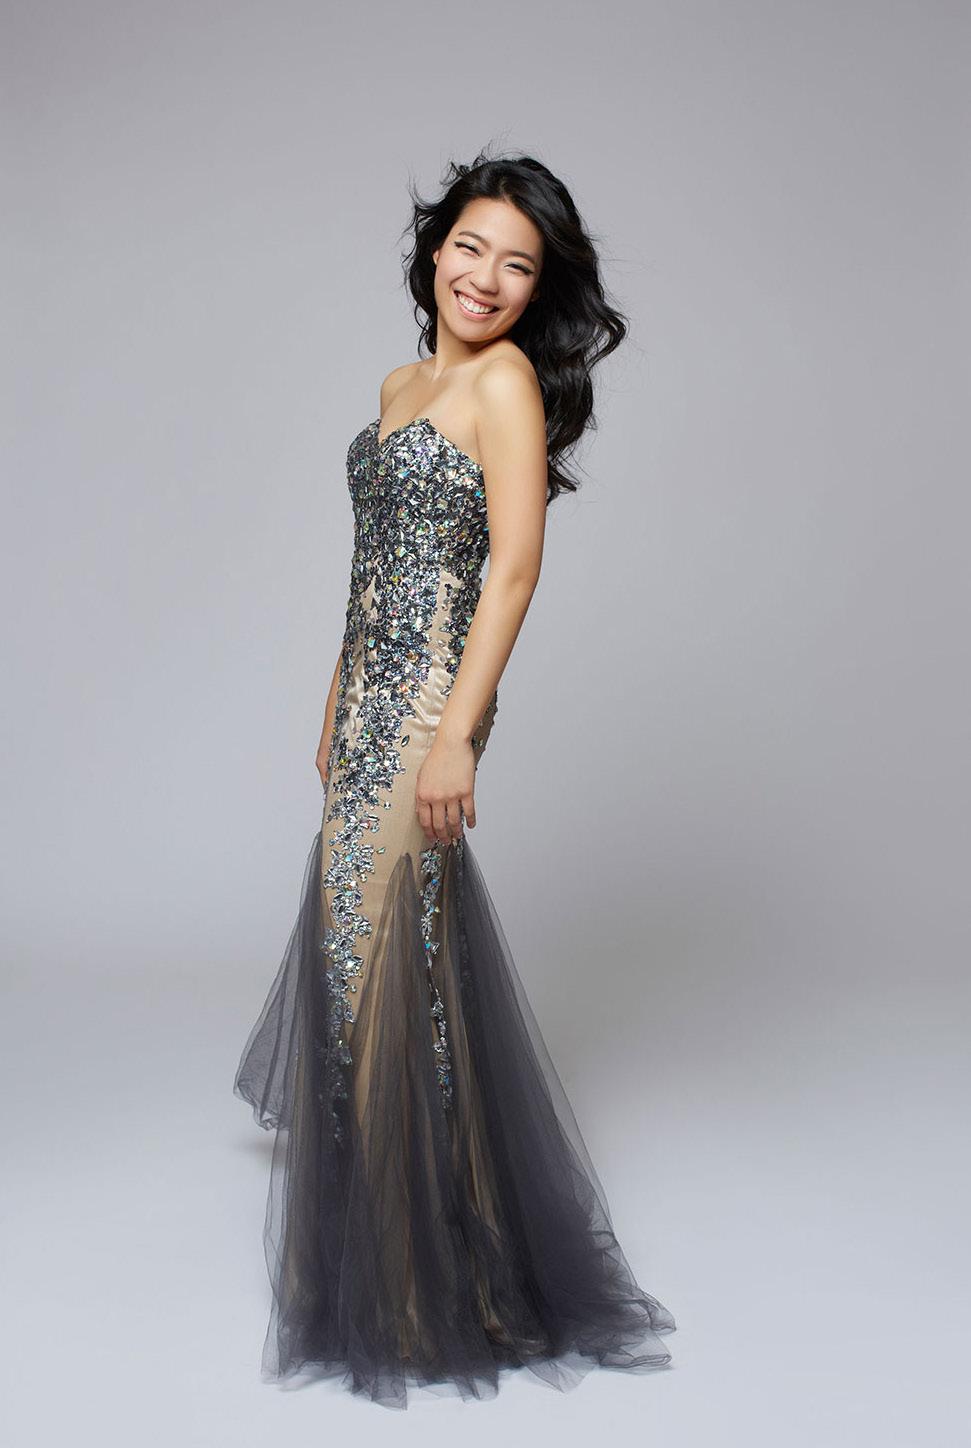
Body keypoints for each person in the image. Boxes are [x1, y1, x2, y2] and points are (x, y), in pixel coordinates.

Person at [234, 148, 676, 1411]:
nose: (485, 277)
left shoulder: (503, 384)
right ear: (435, 251)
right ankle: (422, 1224)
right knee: (371, 952)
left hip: (431, 701)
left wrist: (454, 734)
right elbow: (372, 560)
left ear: (537, 290)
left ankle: (431, 1274)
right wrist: (336, 688)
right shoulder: (400, 384)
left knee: (382, 952)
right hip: (369, 698)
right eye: (470, 247)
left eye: (516, 265)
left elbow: (513, 569)